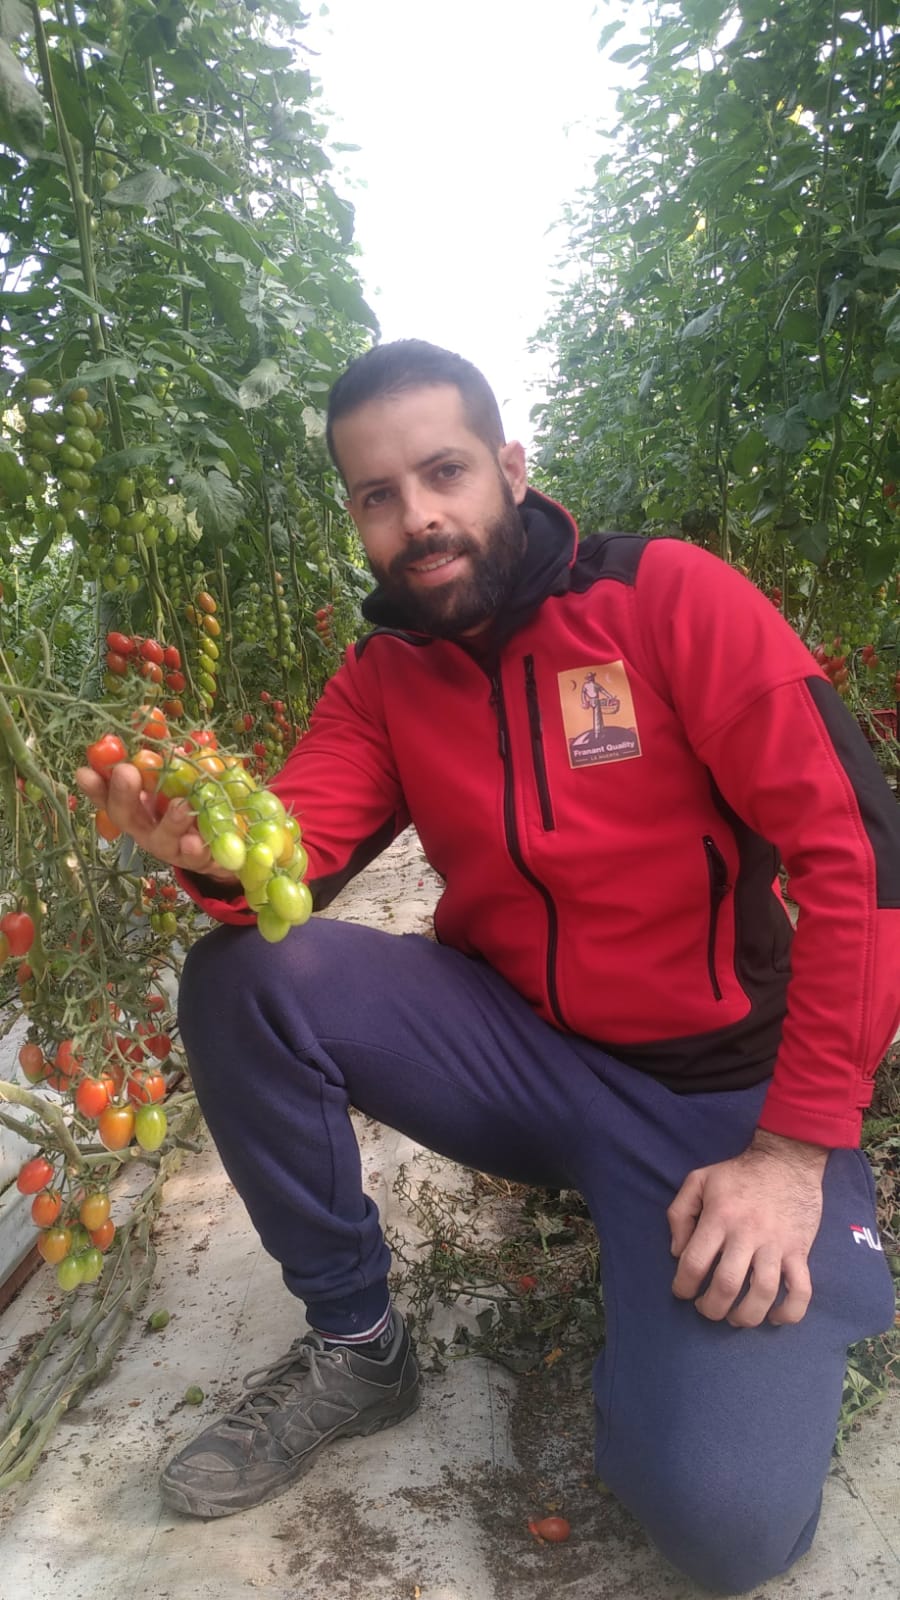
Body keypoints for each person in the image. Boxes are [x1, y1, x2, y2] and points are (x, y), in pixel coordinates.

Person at [76, 340, 900, 1594]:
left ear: (510, 466)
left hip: (721, 1098)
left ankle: (748, 1259)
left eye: (444, 471)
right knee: (246, 977)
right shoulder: (386, 678)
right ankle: (359, 1344)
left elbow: (864, 857)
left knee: (726, 1528)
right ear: (354, 517)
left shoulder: (664, 599)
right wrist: (208, 846)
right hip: (521, 1058)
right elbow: (294, 854)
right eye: (376, 495)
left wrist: (793, 1150)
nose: (419, 520)